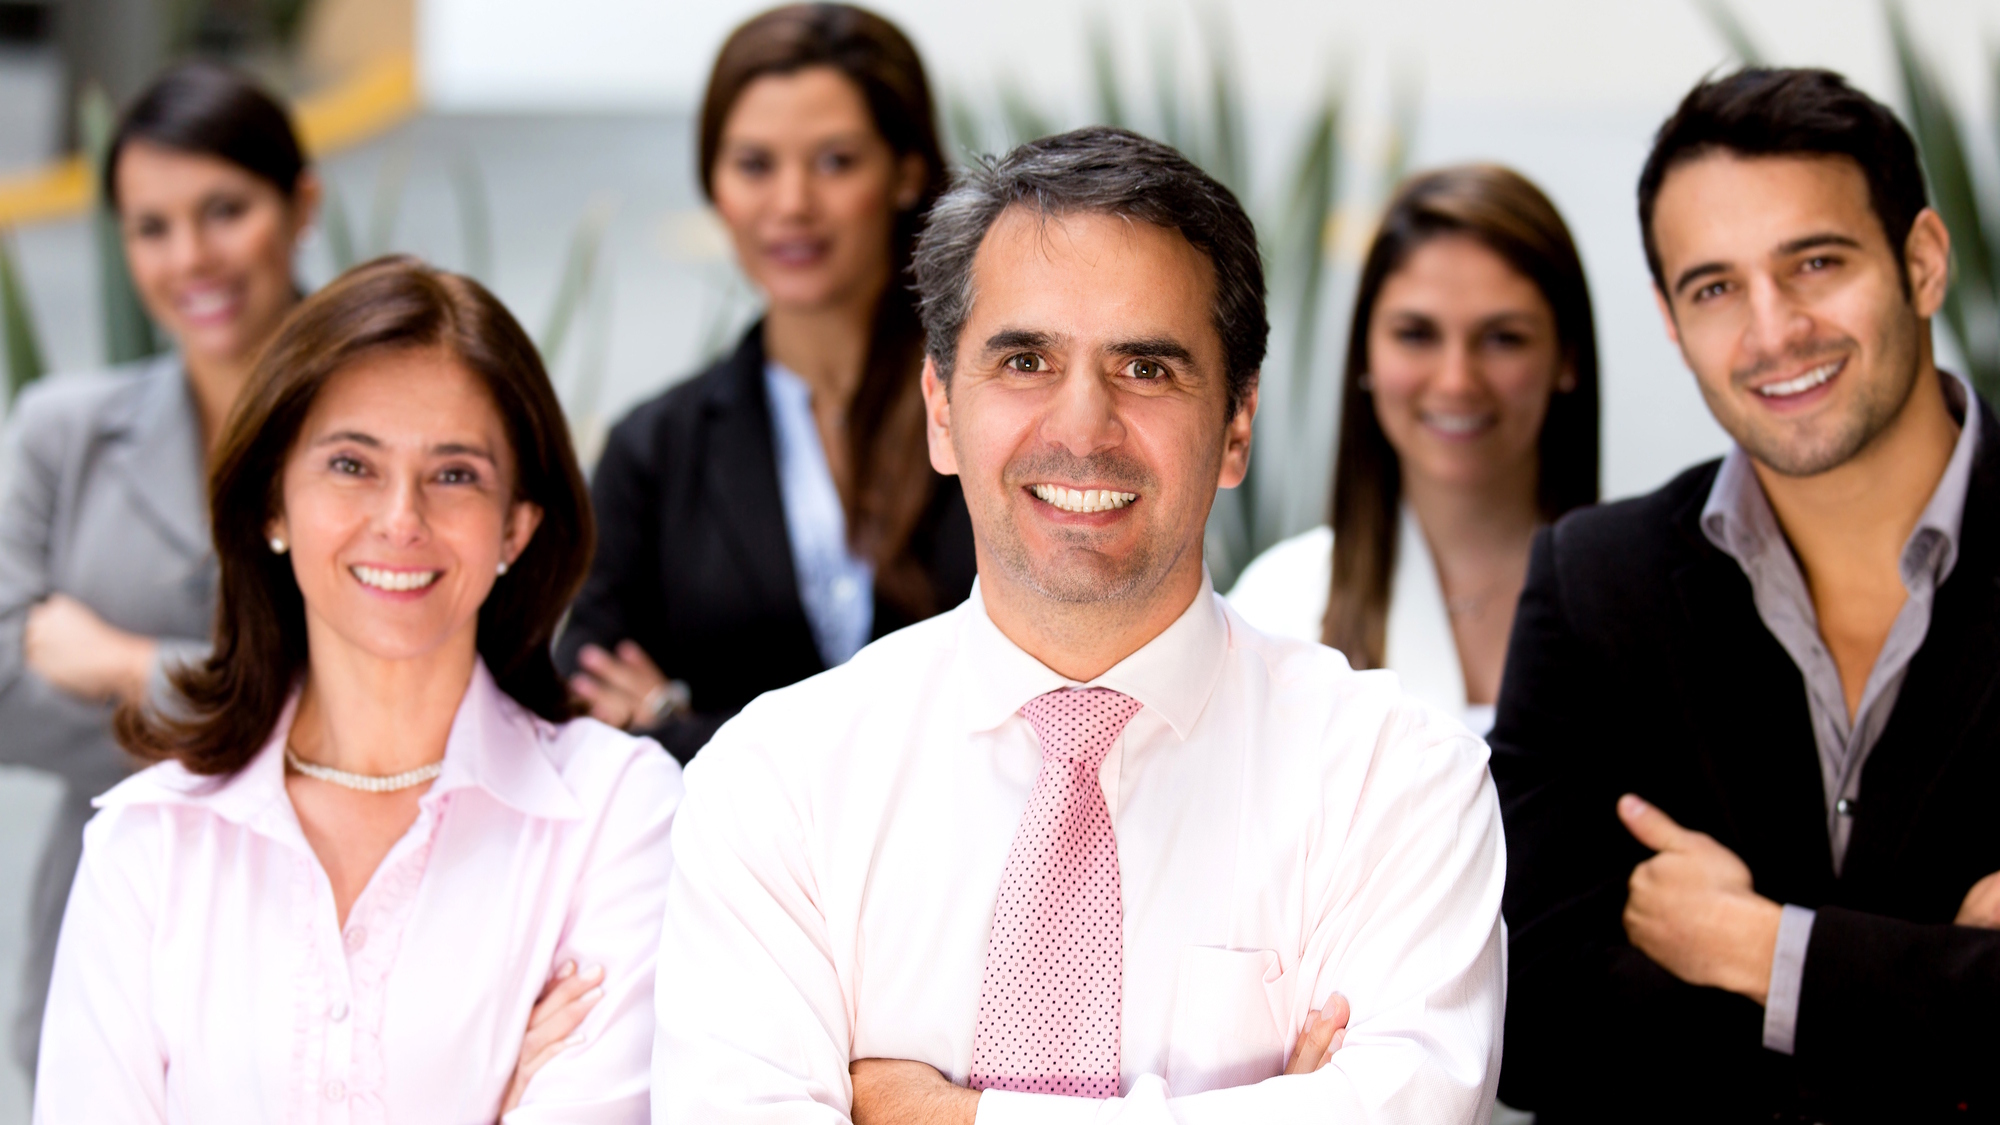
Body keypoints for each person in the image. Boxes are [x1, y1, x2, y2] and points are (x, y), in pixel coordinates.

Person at [652, 126, 1506, 1123]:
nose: (1081, 429)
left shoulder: (1393, 781)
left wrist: (955, 1116)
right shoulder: (777, 782)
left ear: (1235, 425)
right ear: (939, 409)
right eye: (1023, 360)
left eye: (1146, 370)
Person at [32, 257, 682, 1122]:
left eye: (455, 474)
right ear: (273, 503)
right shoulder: (148, 841)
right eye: (351, 465)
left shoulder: (618, 813)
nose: (401, 519)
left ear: (517, 527)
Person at [1493, 68, 2000, 1122]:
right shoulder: (1595, 587)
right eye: (1714, 287)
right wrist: (1937, 988)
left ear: (1921, 260)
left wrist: (1761, 951)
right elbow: (1537, 1027)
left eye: (1813, 263)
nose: (1771, 333)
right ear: (1669, 322)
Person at [0, 62, 317, 1078]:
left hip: (328, 939)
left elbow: (409, 701)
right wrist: (277, 709)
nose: (191, 258)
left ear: (300, 205)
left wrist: (126, 664)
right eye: (151, 225)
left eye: (223, 210)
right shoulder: (63, 430)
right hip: (105, 949)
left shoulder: (392, 433)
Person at [557, 3, 975, 761]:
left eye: (835, 161)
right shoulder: (656, 450)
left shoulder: (999, 410)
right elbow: (589, 711)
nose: (790, 204)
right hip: (731, 880)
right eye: (754, 165)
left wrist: (677, 720)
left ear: (907, 171)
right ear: (716, 186)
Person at [1228, 164, 1599, 732]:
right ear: (1366, 355)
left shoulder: (1642, 602)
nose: (1456, 381)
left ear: (1566, 357)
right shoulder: (1278, 605)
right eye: (1417, 335)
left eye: (1503, 339)